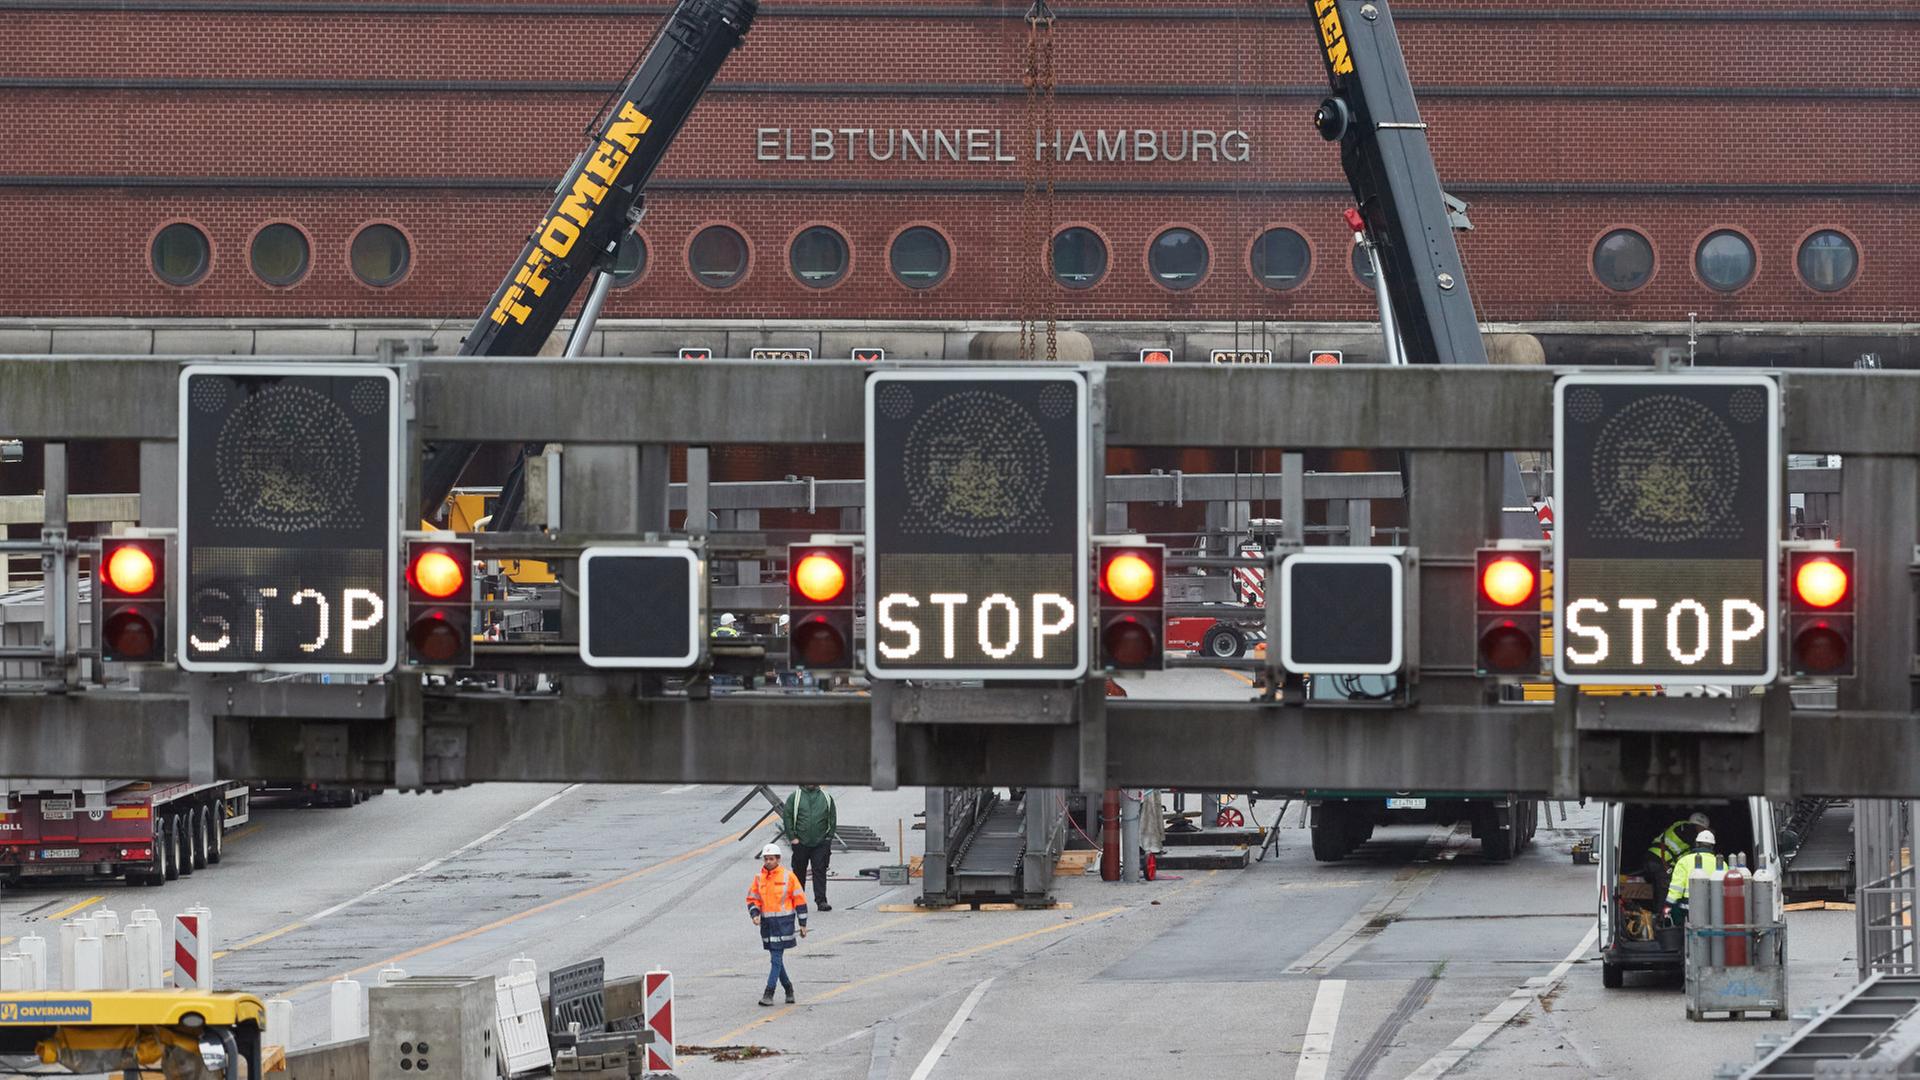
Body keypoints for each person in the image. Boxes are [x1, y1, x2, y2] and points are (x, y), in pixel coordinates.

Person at [745, 843, 808, 1005]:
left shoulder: (788, 877)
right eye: (766, 859)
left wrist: (802, 923)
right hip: (767, 925)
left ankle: (769, 993)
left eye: (771, 859)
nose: (768, 862)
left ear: (778, 859)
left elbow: (799, 900)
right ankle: (788, 989)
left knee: (776, 958)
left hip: (784, 924)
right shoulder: (759, 878)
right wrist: (755, 914)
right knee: (777, 959)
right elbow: (753, 899)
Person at [782, 784, 837, 912]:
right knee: (799, 872)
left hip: (820, 843)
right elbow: (787, 817)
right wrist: (792, 838)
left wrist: (829, 837)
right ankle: (798, 901)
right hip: (801, 842)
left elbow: (832, 817)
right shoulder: (795, 797)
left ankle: (821, 901)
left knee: (820, 871)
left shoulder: (826, 797)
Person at [1663, 829, 1726, 928]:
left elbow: (1676, 889)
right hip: (1714, 909)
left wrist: (1668, 906)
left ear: (1696, 844)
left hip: (1689, 909)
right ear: (1712, 846)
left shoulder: (1684, 861)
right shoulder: (1722, 863)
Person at [1644, 812, 1709, 895]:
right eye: (1703, 830)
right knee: (1666, 894)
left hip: (1652, 859)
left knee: (1657, 893)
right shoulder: (1688, 829)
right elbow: (1697, 848)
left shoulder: (1679, 827)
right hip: (1660, 862)